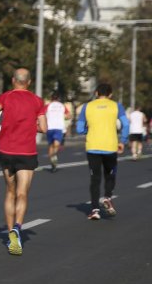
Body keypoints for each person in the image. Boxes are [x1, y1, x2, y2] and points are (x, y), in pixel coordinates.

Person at [0, 68, 47, 256]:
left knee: (10, 191)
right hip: (27, 152)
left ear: (13, 80)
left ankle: (8, 231)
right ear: (28, 82)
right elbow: (44, 127)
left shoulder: (4, 97)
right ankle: (17, 228)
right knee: (22, 193)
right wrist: (32, 126)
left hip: (6, 150)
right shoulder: (37, 101)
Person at [76, 83, 129, 220]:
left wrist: (89, 131)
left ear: (96, 93)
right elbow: (126, 124)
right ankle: (107, 197)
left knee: (95, 179)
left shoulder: (87, 106)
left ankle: (94, 210)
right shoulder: (117, 106)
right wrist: (122, 141)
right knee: (110, 174)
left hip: (92, 146)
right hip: (110, 147)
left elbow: (79, 128)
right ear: (110, 94)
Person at [44, 92, 70, 172]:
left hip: (49, 128)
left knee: (51, 145)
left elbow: (42, 114)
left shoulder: (48, 106)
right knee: (56, 144)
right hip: (59, 127)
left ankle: (52, 160)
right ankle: (54, 156)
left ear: (51, 98)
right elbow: (68, 116)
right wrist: (63, 118)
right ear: (58, 98)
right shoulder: (62, 106)